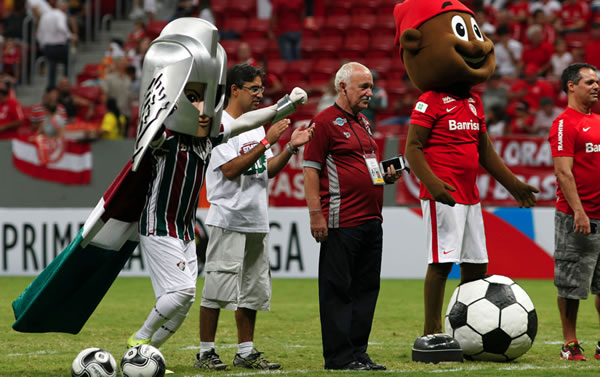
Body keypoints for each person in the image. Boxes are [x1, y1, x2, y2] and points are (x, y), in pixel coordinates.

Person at [125, 19, 308, 370]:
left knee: (214, 296)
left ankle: (149, 353)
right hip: (184, 220)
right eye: (192, 100)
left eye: (203, 100)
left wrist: (287, 115)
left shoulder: (215, 132)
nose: (201, 108)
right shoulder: (167, 134)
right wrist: (271, 135)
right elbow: (228, 168)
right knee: (198, 293)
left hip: (200, 224)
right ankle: (159, 344)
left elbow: (257, 142)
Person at [393, 0, 538, 341]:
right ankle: (431, 332)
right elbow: (412, 148)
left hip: (470, 197)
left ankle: (467, 329)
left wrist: (513, 184)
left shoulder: (473, 101)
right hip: (442, 196)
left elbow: (484, 150)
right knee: (442, 263)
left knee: (476, 265)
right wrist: (433, 183)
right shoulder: (429, 99)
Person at [195, 63, 314, 371]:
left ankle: (245, 351)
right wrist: (267, 141)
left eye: (262, 89)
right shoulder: (219, 125)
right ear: (235, 89)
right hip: (228, 218)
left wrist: (288, 148)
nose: (261, 95)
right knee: (216, 289)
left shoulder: (257, 124)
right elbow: (231, 170)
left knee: (252, 290)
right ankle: (205, 352)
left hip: (255, 217)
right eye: (255, 88)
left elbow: (264, 170)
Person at [303, 62, 402, 371]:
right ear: (342, 87)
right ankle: (338, 357)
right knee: (337, 291)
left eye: (371, 87)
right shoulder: (324, 122)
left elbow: (365, 169)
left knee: (366, 290)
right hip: (341, 221)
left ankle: (358, 352)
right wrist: (315, 214)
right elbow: (310, 170)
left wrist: (386, 176)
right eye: (364, 87)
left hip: (372, 220)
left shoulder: (363, 123)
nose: (370, 93)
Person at [549, 63, 600, 361]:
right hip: (575, 218)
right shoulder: (564, 124)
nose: (596, 86)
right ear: (571, 85)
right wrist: (579, 212)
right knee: (570, 283)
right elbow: (563, 172)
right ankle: (570, 343)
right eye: (589, 82)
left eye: (597, 82)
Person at [36, 0, 75, 88]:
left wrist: (43, 46)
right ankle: (65, 84)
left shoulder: (45, 15)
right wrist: (70, 36)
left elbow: (39, 33)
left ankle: (51, 87)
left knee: (52, 67)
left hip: (48, 47)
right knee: (67, 63)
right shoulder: (60, 14)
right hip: (59, 46)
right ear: (63, 8)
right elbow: (61, 27)